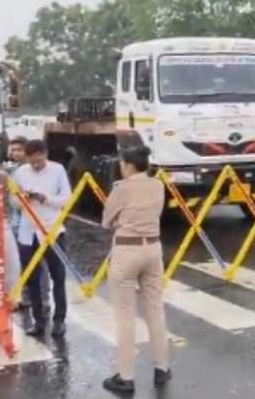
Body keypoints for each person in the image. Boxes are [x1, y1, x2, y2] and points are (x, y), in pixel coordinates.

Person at [100, 146, 171, 394]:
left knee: (125, 315)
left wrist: (121, 221)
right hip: (153, 249)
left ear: (129, 165)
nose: (120, 166)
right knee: (155, 309)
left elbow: (106, 220)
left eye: (122, 163)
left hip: (127, 251)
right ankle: (162, 367)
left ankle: (126, 376)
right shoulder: (158, 185)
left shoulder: (122, 188)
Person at [12, 139, 70, 337]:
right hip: (28, 232)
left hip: (53, 230)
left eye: (39, 161)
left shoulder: (58, 170)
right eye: (32, 162)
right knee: (32, 279)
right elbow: (13, 199)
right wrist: (23, 198)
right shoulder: (20, 173)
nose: (36, 165)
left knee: (58, 277)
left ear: (45, 154)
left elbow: (67, 198)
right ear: (27, 158)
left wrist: (46, 199)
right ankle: (39, 321)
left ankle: (59, 320)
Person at [1, 136, 52, 315]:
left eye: (19, 150)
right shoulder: (13, 171)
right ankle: (27, 297)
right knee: (22, 262)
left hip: (36, 224)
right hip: (18, 223)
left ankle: (44, 299)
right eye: (12, 150)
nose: (15, 154)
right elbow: (12, 201)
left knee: (40, 263)